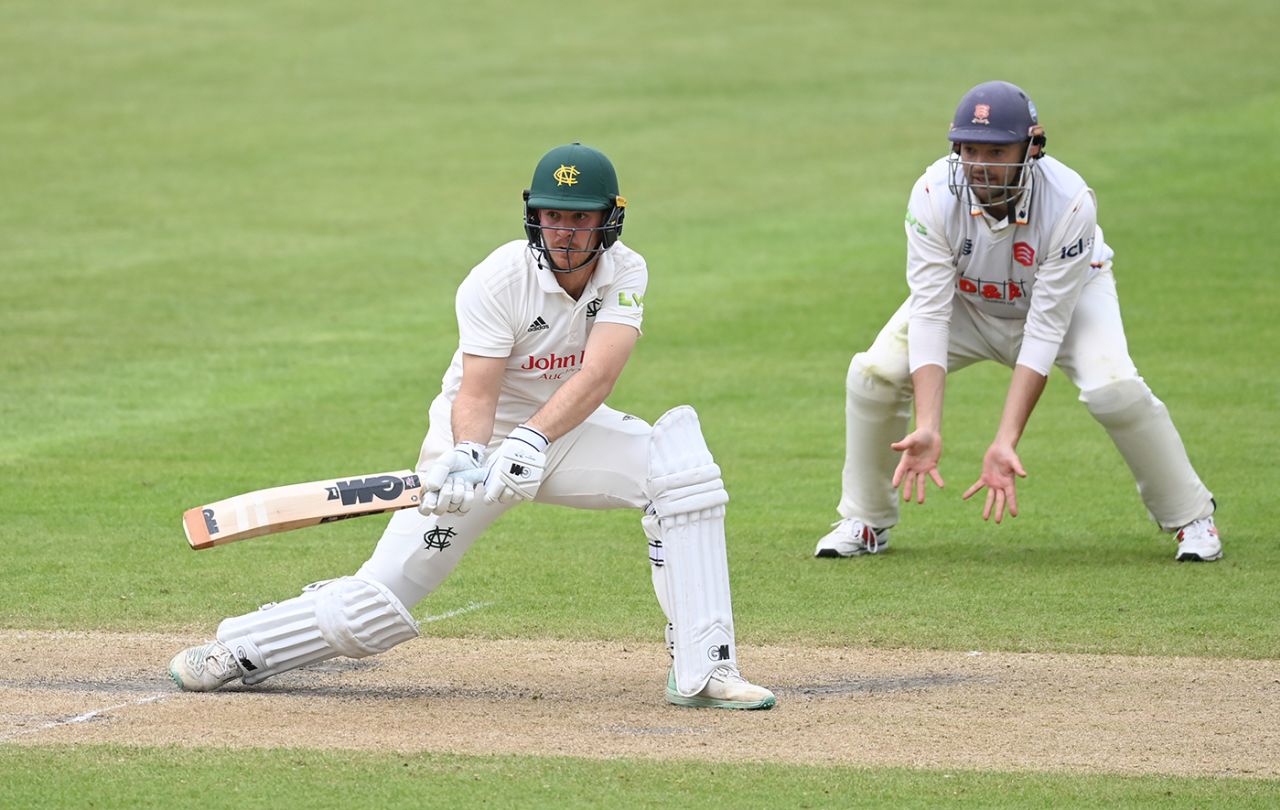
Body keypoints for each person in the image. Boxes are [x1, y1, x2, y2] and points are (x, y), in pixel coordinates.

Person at [169, 142, 776, 710]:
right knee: (375, 609)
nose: (565, 232)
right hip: (479, 445)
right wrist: (465, 454)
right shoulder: (497, 279)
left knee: (682, 472)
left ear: (609, 222)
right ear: (533, 216)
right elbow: (478, 389)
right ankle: (244, 645)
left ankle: (705, 668)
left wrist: (534, 439)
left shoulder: (627, 271)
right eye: (552, 216)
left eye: (580, 219)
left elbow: (596, 377)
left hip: (567, 432)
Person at [814, 81, 1220, 562]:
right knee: (874, 374)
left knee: (1115, 389)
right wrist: (929, 424)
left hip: (1068, 302)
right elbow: (929, 310)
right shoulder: (931, 192)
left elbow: (1045, 328)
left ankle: (1191, 517)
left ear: (1033, 148)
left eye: (996, 150)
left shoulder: (1071, 201)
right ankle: (866, 520)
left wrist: (1005, 440)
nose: (980, 164)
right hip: (968, 301)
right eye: (969, 149)